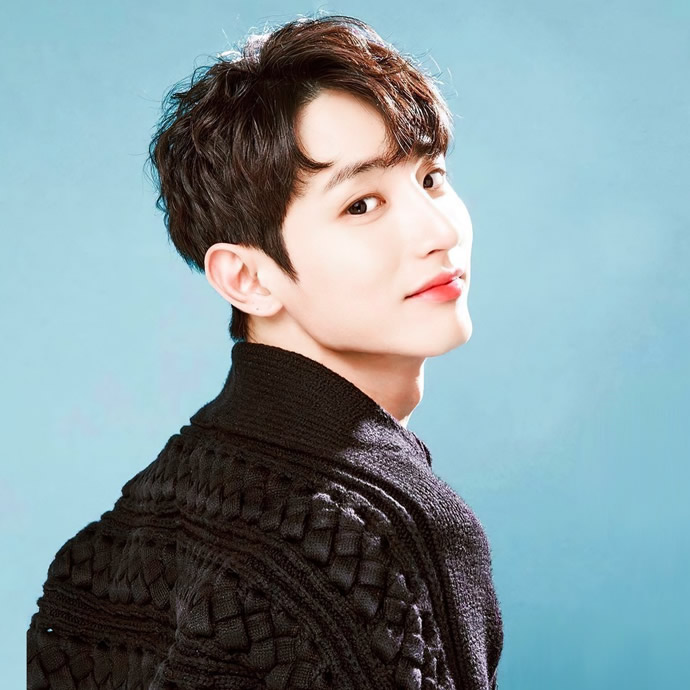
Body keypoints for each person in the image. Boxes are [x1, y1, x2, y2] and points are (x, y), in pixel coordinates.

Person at [27, 13, 504, 689]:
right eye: (362, 205)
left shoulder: (111, 543)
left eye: (430, 178)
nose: (439, 231)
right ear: (247, 278)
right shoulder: (382, 533)